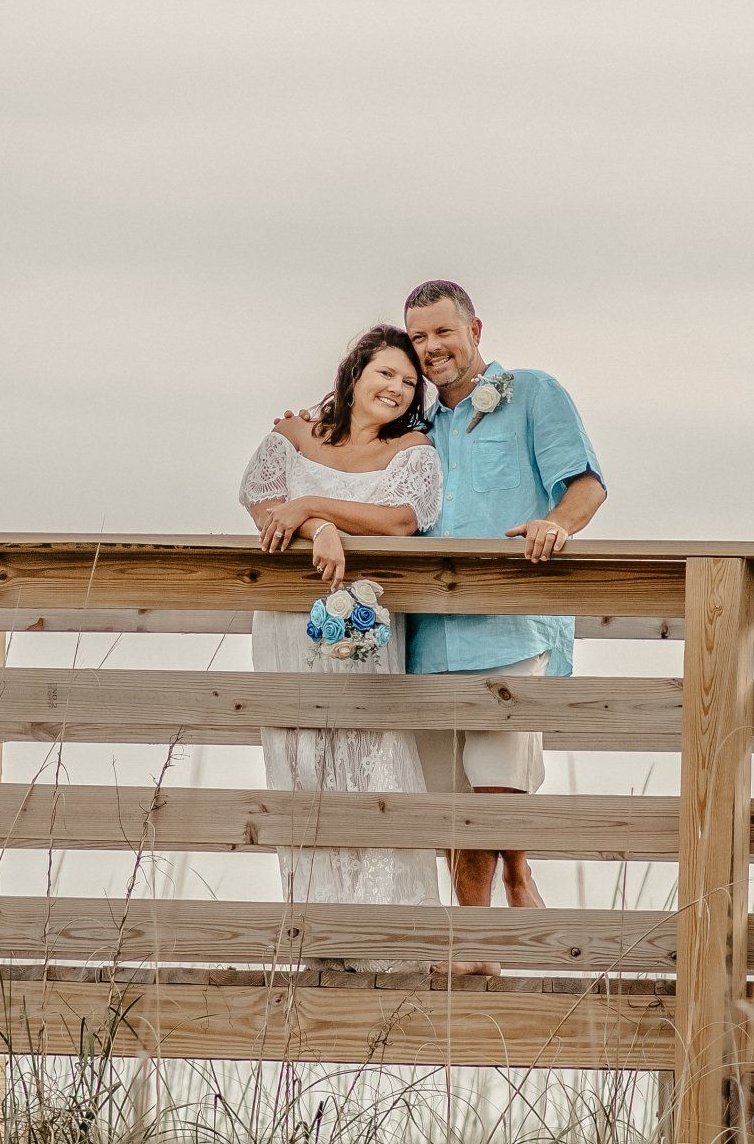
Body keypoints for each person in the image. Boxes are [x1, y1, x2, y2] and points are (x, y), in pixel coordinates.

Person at [397, 278, 605, 915]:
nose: (431, 347)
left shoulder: (534, 393)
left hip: (511, 625)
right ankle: (514, 876)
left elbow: (587, 486)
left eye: (442, 331)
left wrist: (556, 523)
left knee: (495, 783)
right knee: (442, 797)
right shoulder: (416, 424)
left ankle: (473, 942)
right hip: (429, 630)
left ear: (475, 330)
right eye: (418, 336)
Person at [238, 326, 444, 909]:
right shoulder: (291, 433)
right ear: (354, 374)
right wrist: (319, 529)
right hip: (287, 625)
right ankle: (312, 919)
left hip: (368, 625)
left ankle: (382, 926)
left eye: (410, 382)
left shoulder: (412, 453)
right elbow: (261, 504)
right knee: (298, 764)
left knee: (369, 764)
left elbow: (405, 519)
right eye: (386, 373)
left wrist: (311, 505)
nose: (398, 388)